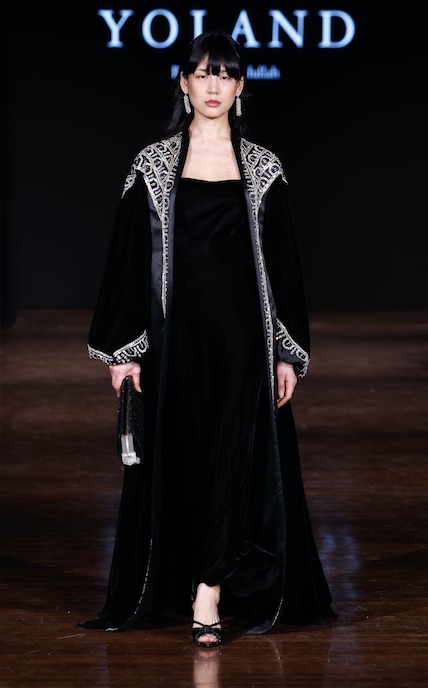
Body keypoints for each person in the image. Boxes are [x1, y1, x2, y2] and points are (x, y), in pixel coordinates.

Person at [77, 31, 336, 646]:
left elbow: (284, 266)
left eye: (225, 74)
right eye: (202, 73)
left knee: (232, 457)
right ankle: (183, 578)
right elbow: (126, 260)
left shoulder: (263, 168)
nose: (213, 85)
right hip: (174, 340)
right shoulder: (153, 165)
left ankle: (209, 592)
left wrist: (285, 350)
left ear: (240, 86)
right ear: (184, 83)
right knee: (183, 458)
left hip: (244, 339)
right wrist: (124, 350)